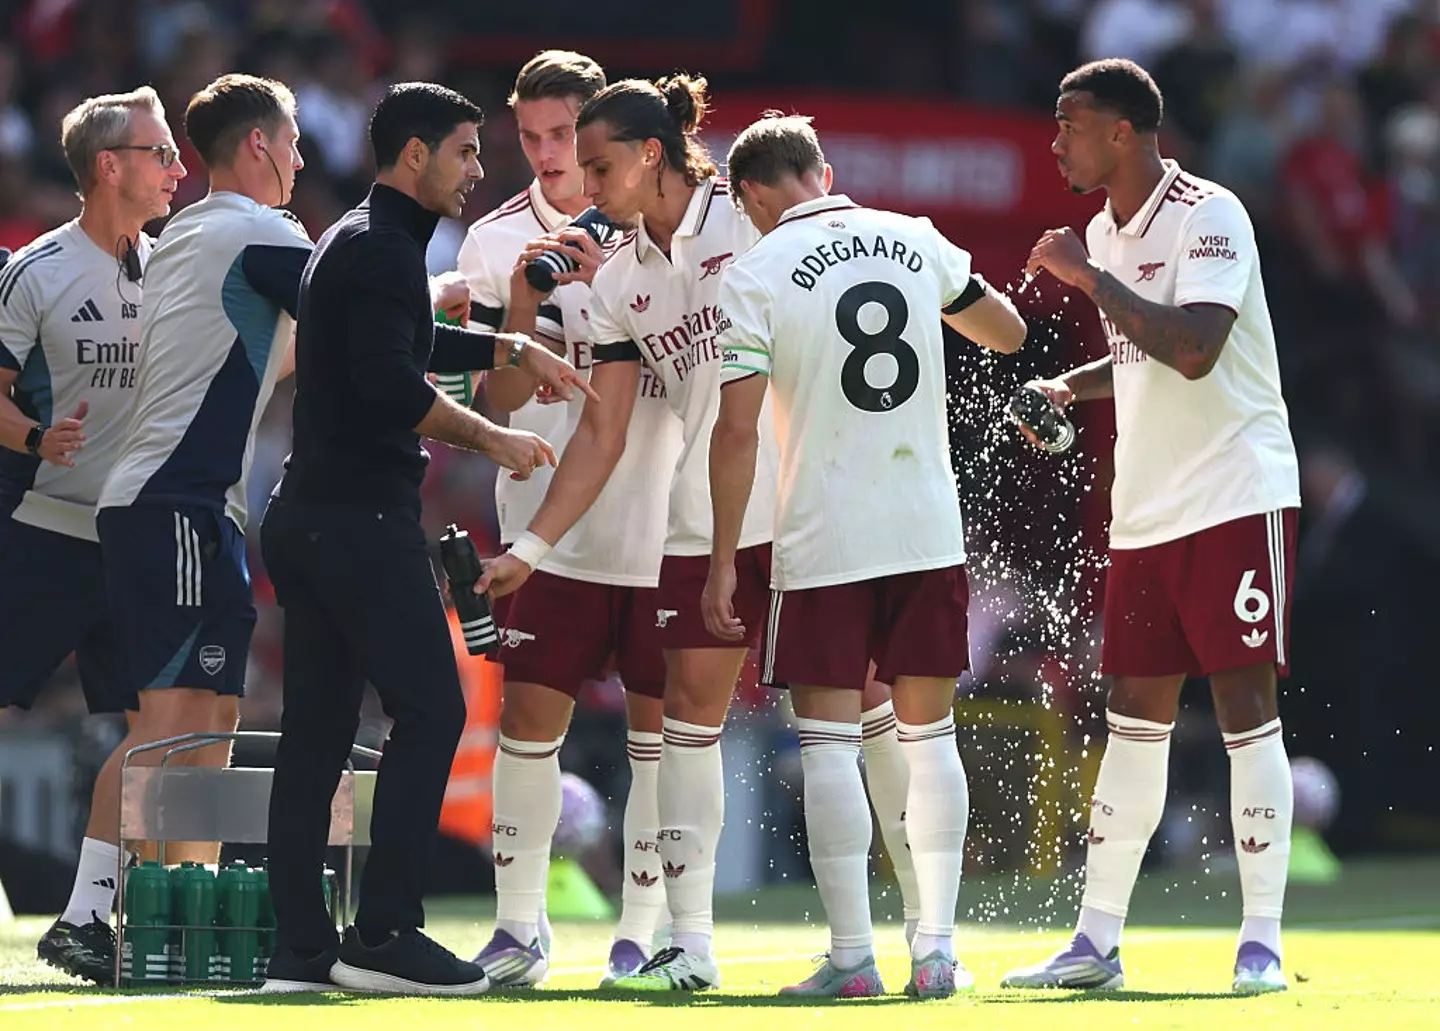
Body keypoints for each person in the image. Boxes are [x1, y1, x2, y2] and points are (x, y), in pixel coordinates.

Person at [479, 74, 922, 992]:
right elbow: (602, 428)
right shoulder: (621, 280)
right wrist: (531, 547)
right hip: (700, 515)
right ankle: (689, 945)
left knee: (870, 712)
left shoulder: (749, 209)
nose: (584, 184)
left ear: (652, 154)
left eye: (598, 164)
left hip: (810, 499)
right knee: (687, 726)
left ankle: (927, 931)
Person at [260, 82, 592, 996]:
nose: (479, 170)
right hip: (361, 522)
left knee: (319, 731)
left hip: (312, 518)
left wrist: (509, 352)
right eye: (465, 151)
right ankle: (386, 932)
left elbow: (399, 348)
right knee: (435, 711)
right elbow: (390, 389)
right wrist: (495, 437)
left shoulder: (360, 239)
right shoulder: (386, 252)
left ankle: (301, 949)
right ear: (415, 155)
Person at [702, 113, 1027, 999]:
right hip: (924, 523)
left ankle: (852, 958)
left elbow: (735, 434)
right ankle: (938, 950)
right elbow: (1005, 332)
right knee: (930, 739)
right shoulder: (914, 237)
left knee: (831, 749)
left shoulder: (755, 272)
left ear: (753, 195)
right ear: (825, 171)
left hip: (823, 532)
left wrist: (725, 556)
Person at [1000, 58, 1300, 996]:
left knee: (1248, 716)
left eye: (1070, 123)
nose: (1057, 141)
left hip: (1234, 495)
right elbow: (1140, 355)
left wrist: (1086, 278)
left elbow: (1197, 348)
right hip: (1147, 511)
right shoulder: (1101, 227)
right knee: (1133, 724)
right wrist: (1066, 384)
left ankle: (1260, 938)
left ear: (1123, 131)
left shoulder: (1211, 213)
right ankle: (1096, 941)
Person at [458, 50, 684, 989]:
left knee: (657, 735)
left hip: (666, 515)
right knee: (526, 728)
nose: (549, 156)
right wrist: (524, 298)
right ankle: (520, 928)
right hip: (545, 517)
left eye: (566, 137)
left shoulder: (662, 232)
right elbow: (495, 398)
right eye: (533, 138)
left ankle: (641, 926)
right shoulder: (489, 241)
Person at [89, 75, 310, 914]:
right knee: (168, 721)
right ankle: (90, 909)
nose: (298, 158)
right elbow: (359, 314)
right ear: (259, 143)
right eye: (291, 141)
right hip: (172, 501)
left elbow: (273, 363)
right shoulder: (256, 229)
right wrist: (485, 340)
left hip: (192, 505)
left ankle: (186, 909)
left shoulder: (192, 234)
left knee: (211, 718)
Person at [0, 86, 186, 985]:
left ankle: (83, 916)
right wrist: (37, 437)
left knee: (158, 726)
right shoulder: (34, 270)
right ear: (109, 165)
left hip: (137, 536)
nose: (176, 169)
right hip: (42, 524)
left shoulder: (180, 264)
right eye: (159, 152)